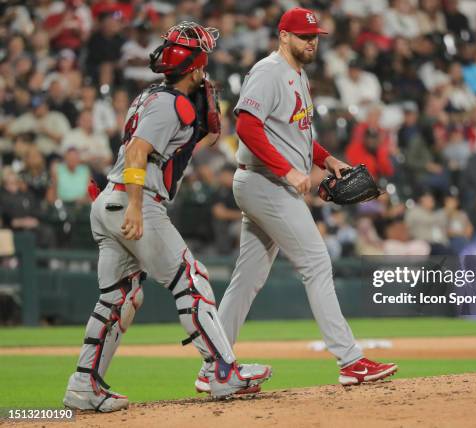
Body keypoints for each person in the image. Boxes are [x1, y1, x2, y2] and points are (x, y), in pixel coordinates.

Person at [63, 22, 272, 413]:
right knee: (190, 280)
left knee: (117, 299)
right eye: (203, 64)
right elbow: (141, 152)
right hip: (133, 200)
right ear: (196, 68)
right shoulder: (170, 104)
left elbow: (181, 144)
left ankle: (83, 385)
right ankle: (221, 371)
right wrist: (138, 209)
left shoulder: (152, 97)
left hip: (110, 200)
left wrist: (206, 129)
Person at [208, 8, 397, 390]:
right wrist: (288, 171)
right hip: (264, 181)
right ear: (283, 36)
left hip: (264, 182)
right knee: (315, 261)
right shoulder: (268, 71)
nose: (312, 42)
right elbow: (246, 126)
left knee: (247, 279)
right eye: (303, 36)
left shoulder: (298, 73)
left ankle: (215, 365)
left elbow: (297, 134)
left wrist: (325, 159)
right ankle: (350, 360)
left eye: (315, 36)